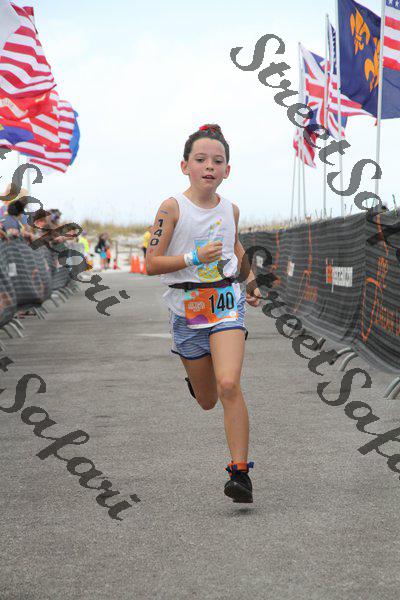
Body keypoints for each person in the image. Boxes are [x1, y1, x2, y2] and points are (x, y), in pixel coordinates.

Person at [146, 123, 262, 503]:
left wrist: (250, 280)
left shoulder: (231, 209)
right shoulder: (172, 208)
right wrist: (193, 257)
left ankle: (240, 473)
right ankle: (198, 382)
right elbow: (151, 263)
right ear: (185, 166)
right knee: (208, 399)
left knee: (229, 384)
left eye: (217, 160)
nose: (209, 166)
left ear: (227, 170)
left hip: (226, 302)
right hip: (187, 309)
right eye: (200, 159)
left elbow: (235, 246)